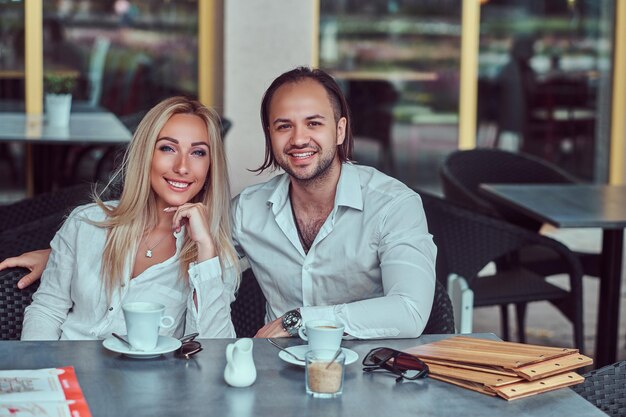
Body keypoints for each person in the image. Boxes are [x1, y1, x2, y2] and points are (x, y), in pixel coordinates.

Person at [2, 67, 436, 340]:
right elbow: (185, 243)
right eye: (284, 125)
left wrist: (299, 320)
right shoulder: (248, 210)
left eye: (314, 124)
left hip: (373, 369)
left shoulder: (394, 205)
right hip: (279, 374)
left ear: (340, 130)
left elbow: (410, 310)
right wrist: (61, 254)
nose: (299, 139)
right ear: (270, 136)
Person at [18, 96, 239, 340]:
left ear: (210, 168)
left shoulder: (215, 256)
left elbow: (215, 350)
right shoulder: (85, 223)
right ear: (145, 155)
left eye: (198, 152)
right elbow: (47, 310)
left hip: (151, 377)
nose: (182, 167)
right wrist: (42, 372)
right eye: (167, 148)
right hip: (69, 371)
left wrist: (205, 250)